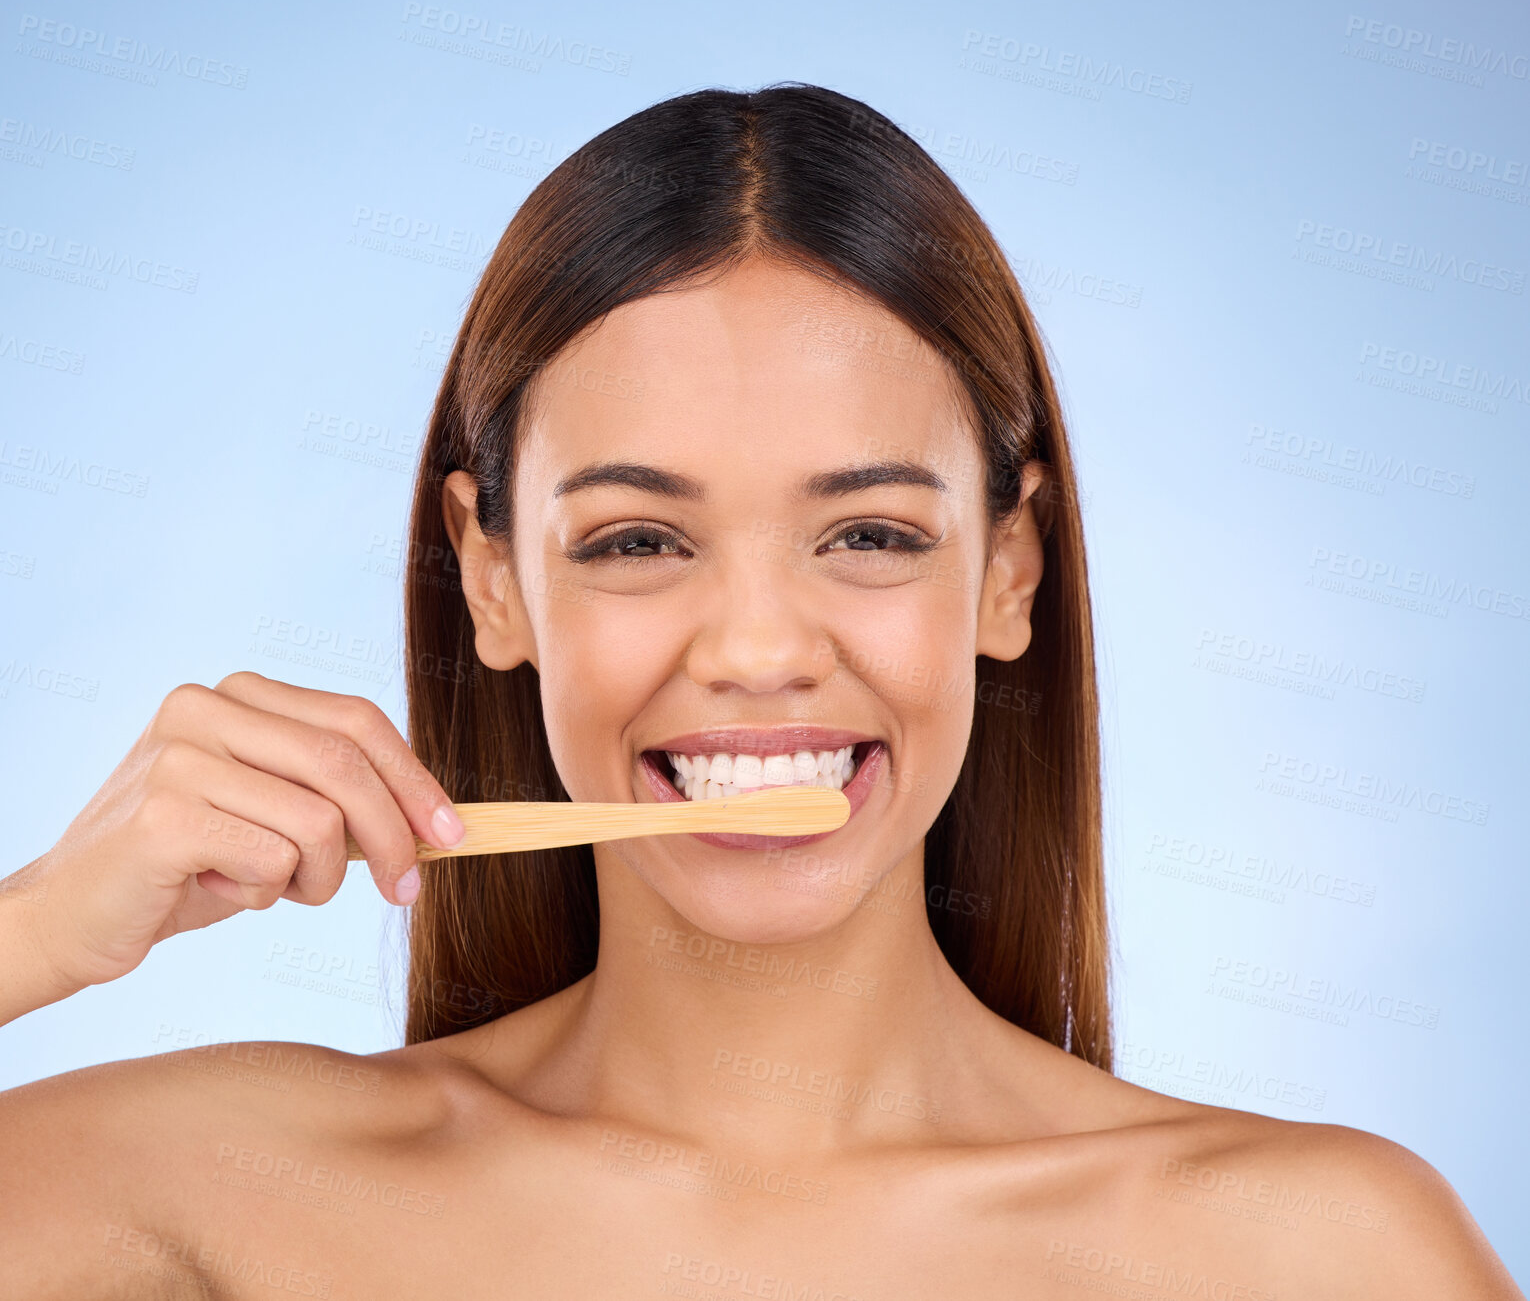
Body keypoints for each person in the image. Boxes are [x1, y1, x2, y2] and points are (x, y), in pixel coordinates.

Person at [0, 82, 1520, 1298]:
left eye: (866, 533)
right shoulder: (220, 1194)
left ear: (1006, 568)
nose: (753, 648)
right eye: (637, 538)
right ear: (490, 575)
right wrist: (39, 928)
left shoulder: (1317, 1255)